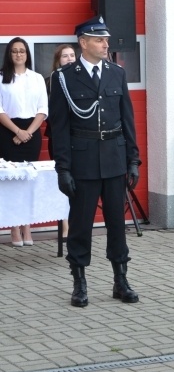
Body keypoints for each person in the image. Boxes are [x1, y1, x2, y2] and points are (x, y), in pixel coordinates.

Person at [48, 16, 141, 308]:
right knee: (80, 225)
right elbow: (59, 128)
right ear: (83, 42)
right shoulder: (63, 77)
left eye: (106, 40)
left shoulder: (116, 73)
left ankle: (120, 280)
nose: (105, 44)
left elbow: (127, 120)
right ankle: (79, 283)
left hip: (114, 158)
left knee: (117, 223)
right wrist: (63, 168)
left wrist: (133, 160)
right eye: (99, 40)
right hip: (83, 161)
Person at [0, 37, 48, 247]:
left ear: (27, 54)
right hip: (7, 132)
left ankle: (27, 226)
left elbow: (42, 109)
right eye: (14, 51)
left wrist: (27, 132)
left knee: (28, 180)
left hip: (31, 132)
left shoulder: (37, 78)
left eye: (22, 51)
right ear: (9, 54)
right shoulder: (1, 77)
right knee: (11, 181)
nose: (18, 54)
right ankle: (13, 227)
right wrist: (17, 131)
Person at [45, 44, 78, 240]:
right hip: (59, 139)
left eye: (72, 55)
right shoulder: (51, 81)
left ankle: (76, 223)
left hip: (80, 138)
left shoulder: (82, 79)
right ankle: (65, 225)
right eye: (65, 56)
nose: (70, 59)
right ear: (58, 60)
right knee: (64, 180)